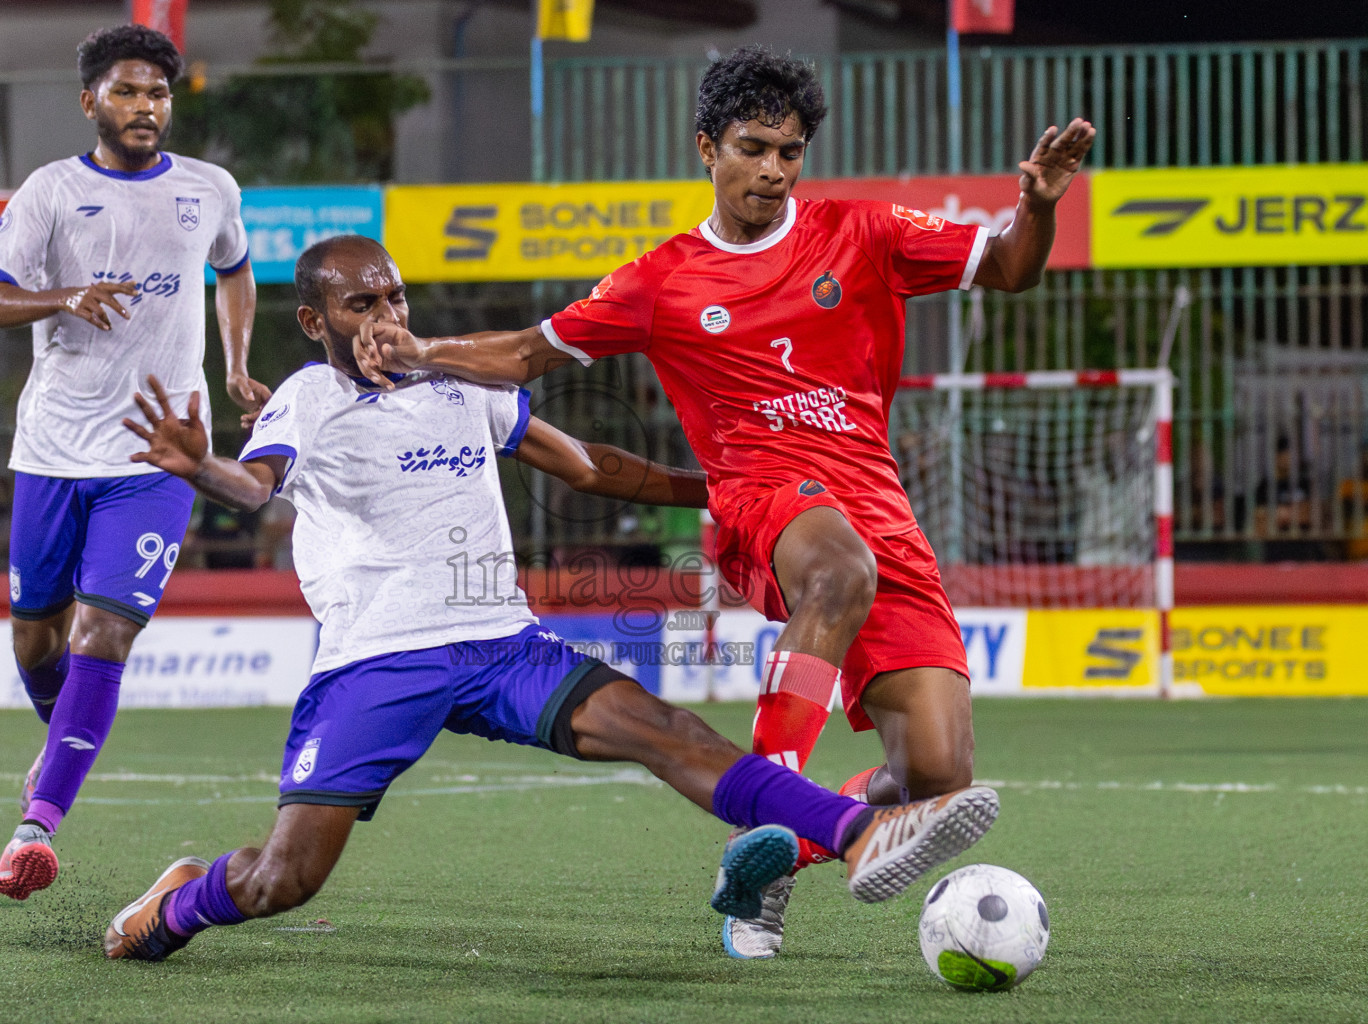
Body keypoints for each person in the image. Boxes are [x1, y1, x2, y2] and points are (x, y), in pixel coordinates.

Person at [353, 47, 1091, 958]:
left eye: (791, 152)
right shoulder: (662, 281)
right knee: (836, 567)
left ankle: (782, 856)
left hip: (877, 505)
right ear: (708, 147)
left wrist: (1039, 205)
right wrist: (417, 350)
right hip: (762, 498)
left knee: (936, 777)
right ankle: (765, 826)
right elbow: (524, 354)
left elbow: (1014, 269)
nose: (775, 171)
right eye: (754, 148)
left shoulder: (864, 233)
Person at [101, 235, 999, 962]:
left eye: (396, 297)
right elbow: (257, 487)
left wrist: (720, 484)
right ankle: (183, 901)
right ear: (314, 320)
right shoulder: (308, 398)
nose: (386, 316)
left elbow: (591, 466)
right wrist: (199, 467)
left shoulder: (459, 384)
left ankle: (854, 834)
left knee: (669, 730)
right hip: (377, 664)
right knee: (280, 884)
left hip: (502, 648)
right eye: (360, 303)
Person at [0, 24, 266, 900]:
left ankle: (37, 828)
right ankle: (58, 739)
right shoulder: (50, 192)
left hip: (161, 452)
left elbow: (236, 268)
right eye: (129, 92)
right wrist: (65, 296)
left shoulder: (209, 188)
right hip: (56, 449)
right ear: (91, 100)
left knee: (105, 635)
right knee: (36, 642)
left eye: (160, 94)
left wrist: (237, 363)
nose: (146, 108)